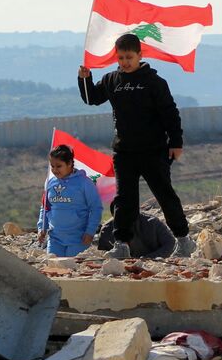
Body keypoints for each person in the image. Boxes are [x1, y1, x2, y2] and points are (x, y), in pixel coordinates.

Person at [78, 33, 195, 259]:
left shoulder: (154, 82)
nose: (125, 62)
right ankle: (121, 244)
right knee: (124, 199)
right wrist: (85, 78)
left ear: (140, 55)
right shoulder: (113, 80)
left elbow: (170, 114)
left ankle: (183, 240)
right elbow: (91, 97)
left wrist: (176, 142)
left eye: (129, 57)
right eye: (121, 57)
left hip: (154, 151)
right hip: (124, 153)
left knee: (164, 195)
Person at [37, 145, 103, 257]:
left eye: (59, 166)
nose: (54, 170)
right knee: (54, 270)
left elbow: (96, 208)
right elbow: (45, 208)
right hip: (55, 239)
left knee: (74, 270)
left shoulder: (85, 183)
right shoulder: (49, 183)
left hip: (79, 239)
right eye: (52, 166)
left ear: (70, 164)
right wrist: (41, 228)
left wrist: (90, 232)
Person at [98, 204, 175, 258]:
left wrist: (148, 258)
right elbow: (103, 253)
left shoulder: (152, 223)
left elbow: (170, 243)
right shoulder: (107, 230)